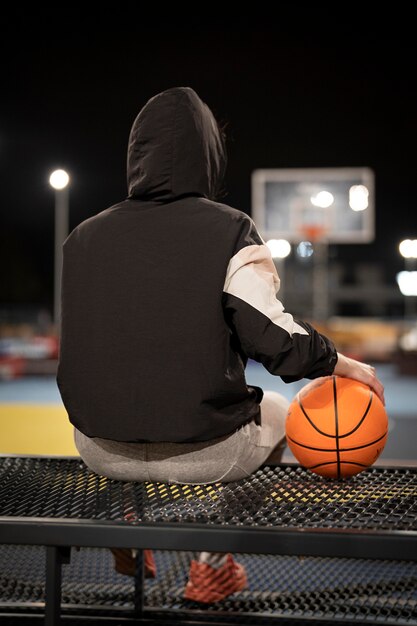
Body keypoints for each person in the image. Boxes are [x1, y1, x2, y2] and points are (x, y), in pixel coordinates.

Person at [57, 87, 385, 604]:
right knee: (278, 410)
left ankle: (126, 517)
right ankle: (211, 566)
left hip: (96, 449)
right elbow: (279, 344)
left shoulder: (81, 238)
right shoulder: (229, 230)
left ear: (135, 153)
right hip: (206, 453)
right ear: (207, 156)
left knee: (128, 385)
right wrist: (345, 365)